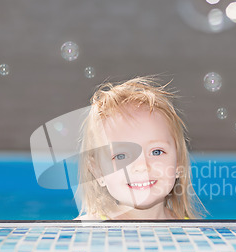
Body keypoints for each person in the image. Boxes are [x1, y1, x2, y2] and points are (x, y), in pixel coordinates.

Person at [75, 76, 206, 220]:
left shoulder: (191, 230)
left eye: (156, 152)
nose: (142, 166)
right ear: (98, 171)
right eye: (121, 156)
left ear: (178, 163)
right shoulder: (88, 230)